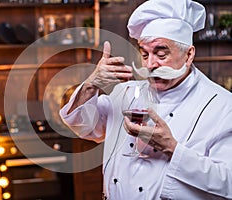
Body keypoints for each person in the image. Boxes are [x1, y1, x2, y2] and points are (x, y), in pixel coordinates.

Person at [59, 0, 232, 199]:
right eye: (144, 54)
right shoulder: (126, 92)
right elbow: (82, 125)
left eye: (161, 53)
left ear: (188, 55)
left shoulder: (222, 106)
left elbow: (228, 182)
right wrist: (91, 85)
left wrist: (172, 149)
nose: (150, 64)